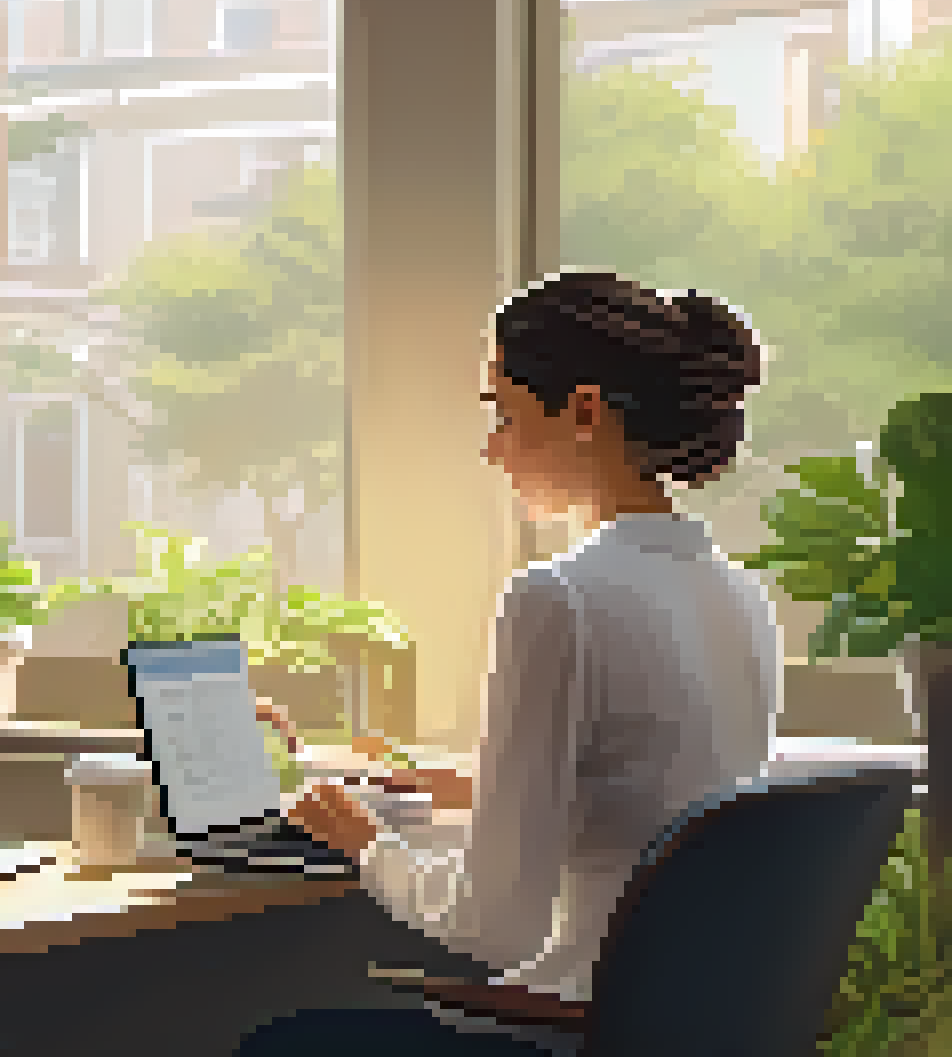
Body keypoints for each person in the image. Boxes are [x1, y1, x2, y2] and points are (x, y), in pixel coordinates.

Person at [238, 270, 780, 1055]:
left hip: (569, 1026)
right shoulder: (740, 597)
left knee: (268, 1038)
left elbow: (493, 927)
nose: (491, 449)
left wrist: (366, 843)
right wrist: (474, 783)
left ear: (584, 411)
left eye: (505, 411)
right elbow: (662, 785)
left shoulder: (557, 600)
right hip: (687, 1027)